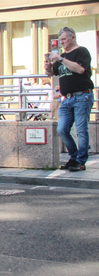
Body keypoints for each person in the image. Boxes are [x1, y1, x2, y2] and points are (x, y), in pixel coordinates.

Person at [44, 27, 94, 172]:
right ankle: (73, 157)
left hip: (82, 96)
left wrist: (60, 59)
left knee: (81, 130)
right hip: (67, 99)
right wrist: (48, 68)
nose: (62, 42)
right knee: (62, 129)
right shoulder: (62, 56)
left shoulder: (81, 52)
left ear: (72, 37)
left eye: (64, 39)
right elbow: (52, 74)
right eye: (60, 40)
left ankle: (80, 161)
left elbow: (80, 69)